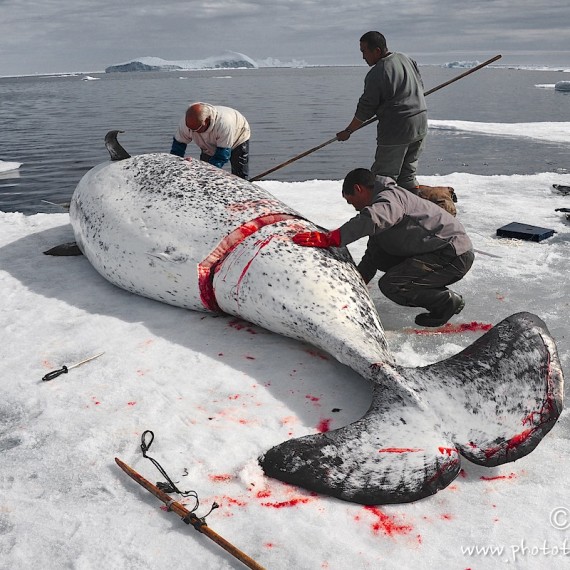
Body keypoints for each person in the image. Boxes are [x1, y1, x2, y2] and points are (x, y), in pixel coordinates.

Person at [292, 168, 474, 327]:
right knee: (380, 254)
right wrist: (353, 289)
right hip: (437, 250)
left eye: (351, 201)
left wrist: (332, 238)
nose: (354, 207)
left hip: (452, 254)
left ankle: (446, 302)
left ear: (358, 189)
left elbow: (372, 218)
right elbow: (372, 256)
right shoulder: (382, 204)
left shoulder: (389, 198)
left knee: (392, 285)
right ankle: (434, 292)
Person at [336, 31, 427, 191]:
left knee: (383, 179)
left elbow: (365, 108)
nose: (363, 56)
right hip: (420, 123)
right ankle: (413, 210)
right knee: (407, 175)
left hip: (398, 129)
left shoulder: (378, 72)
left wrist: (348, 131)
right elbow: (420, 85)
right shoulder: (406, 59)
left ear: (376, 51)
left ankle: (383, 212)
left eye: (364, 51)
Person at [170, 102, 250, 179]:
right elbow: (178, 148)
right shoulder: (186, 123)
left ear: (207, 120)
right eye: (190, 129)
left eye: (197, 129)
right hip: (209, 141)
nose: (193, 132)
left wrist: (210, 171)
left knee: (239, 172)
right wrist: (175, 165)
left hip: (238, 135)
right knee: (203, 171)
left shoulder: (224, 124)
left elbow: (222, 155)